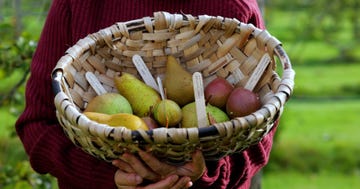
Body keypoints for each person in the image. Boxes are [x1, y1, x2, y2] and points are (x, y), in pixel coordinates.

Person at [15, 0, 277, 188]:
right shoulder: (79, 4)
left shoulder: (233, 8)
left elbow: (259, 138)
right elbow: (37, 125)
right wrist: (111, 179)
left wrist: (204, 175)